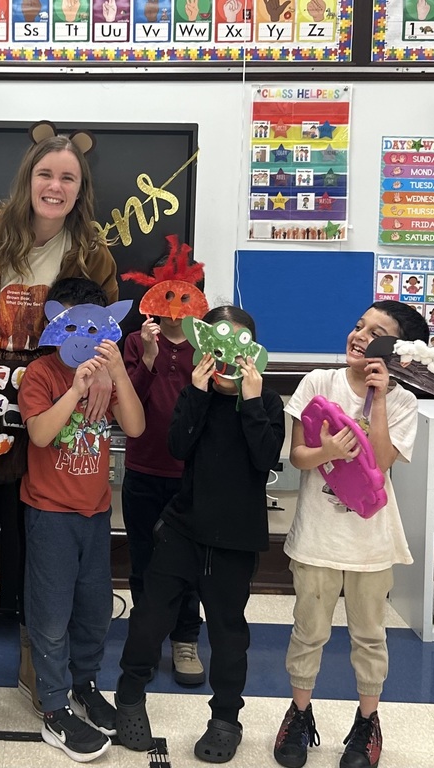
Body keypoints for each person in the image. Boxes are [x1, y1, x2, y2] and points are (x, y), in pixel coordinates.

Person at [0, 132, 119, 726]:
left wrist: (103, 375)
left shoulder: (90, 252)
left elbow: (105, 326)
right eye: (45, 176)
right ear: (27, 179)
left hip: (48, 415)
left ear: (81, 191)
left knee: (40, 552)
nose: (55, 187)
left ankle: (42, 668)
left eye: (68, 179)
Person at [115, 306, 285, 764]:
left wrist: (249, 401)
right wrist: (195, 392)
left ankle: (226, 718)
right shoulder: (198, 395)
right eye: (219, 343)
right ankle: (129, 696)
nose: (229, 355)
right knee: (150, 616)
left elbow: (265, 458)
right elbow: (177, 446)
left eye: (241, 345)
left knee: (229, 634)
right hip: (183, 529)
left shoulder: (267, 403)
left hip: (235, 539)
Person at [272, 300, 428, 768]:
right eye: (360, 325)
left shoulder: (402, 401)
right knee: (309, 631)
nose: (360, 336)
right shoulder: (320, 381)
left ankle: (367, 723)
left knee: (369, 635)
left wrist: (379, 399)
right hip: (317, 536)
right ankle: (299, 714)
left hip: (371, 540)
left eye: (376, 333)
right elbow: (297, 457)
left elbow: (380, 463)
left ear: (396, 353)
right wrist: (327, 451)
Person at [19, 277, 145, 763]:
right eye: (69, 325)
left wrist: (118, 375)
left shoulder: (111, 373)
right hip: (50, 512)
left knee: (94, 609)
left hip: (95, 513)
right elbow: (42, 436)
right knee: (51, 616)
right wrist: (74, 389)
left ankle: (84, 685)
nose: (83, 337)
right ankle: (53, 706)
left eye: (95, 327)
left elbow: (134, 428)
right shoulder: (41, 374)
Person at [120, 244, 207, 687]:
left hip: (189, 473)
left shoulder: (207, 344)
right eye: (165, 299)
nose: (174, 311)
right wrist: (150, 361)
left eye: (185, 298)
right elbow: (126, 401)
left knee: (187, 561)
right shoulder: (136, 342)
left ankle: (185, 637)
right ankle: (147, 634)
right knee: (144, 560)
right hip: (142, 469)